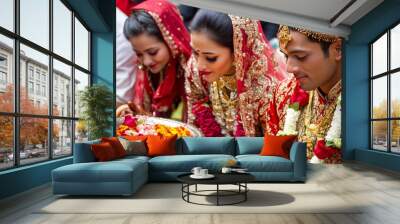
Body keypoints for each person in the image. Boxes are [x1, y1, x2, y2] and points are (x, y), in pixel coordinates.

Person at [185, 9, 286, 137]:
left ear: (237, 52)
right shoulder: (195, 70)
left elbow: (271, 147)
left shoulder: (264, 88)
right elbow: (194, 128)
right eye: (195, 52)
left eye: (210, 58)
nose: (199, 65)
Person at [265, 25, 342, 164]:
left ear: (337, 50)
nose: (289, 68)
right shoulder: (282, 94)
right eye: (286, 56)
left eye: (300, 56)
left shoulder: (365, 104)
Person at [116, 0, 191, 119]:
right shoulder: (146, 71)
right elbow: (152, 118)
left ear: (171, 40)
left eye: (153, 52)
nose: (146, 61)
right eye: (139, 54)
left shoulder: (191, 70)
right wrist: (137, 113)